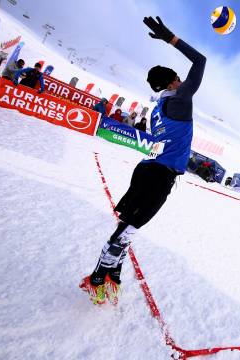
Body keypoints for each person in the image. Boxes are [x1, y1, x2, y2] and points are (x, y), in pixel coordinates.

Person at [80, 15, 206, 305]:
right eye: (179, 78)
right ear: (173, 81)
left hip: (149, 169)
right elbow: (200, 62)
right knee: (128, 229)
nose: (183, 80)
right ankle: (98, 277)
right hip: (158, 174)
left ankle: (114, 273)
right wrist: (171, 39)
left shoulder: (157, 108)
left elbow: (165, 142)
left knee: (130, 225)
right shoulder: (180, 98)